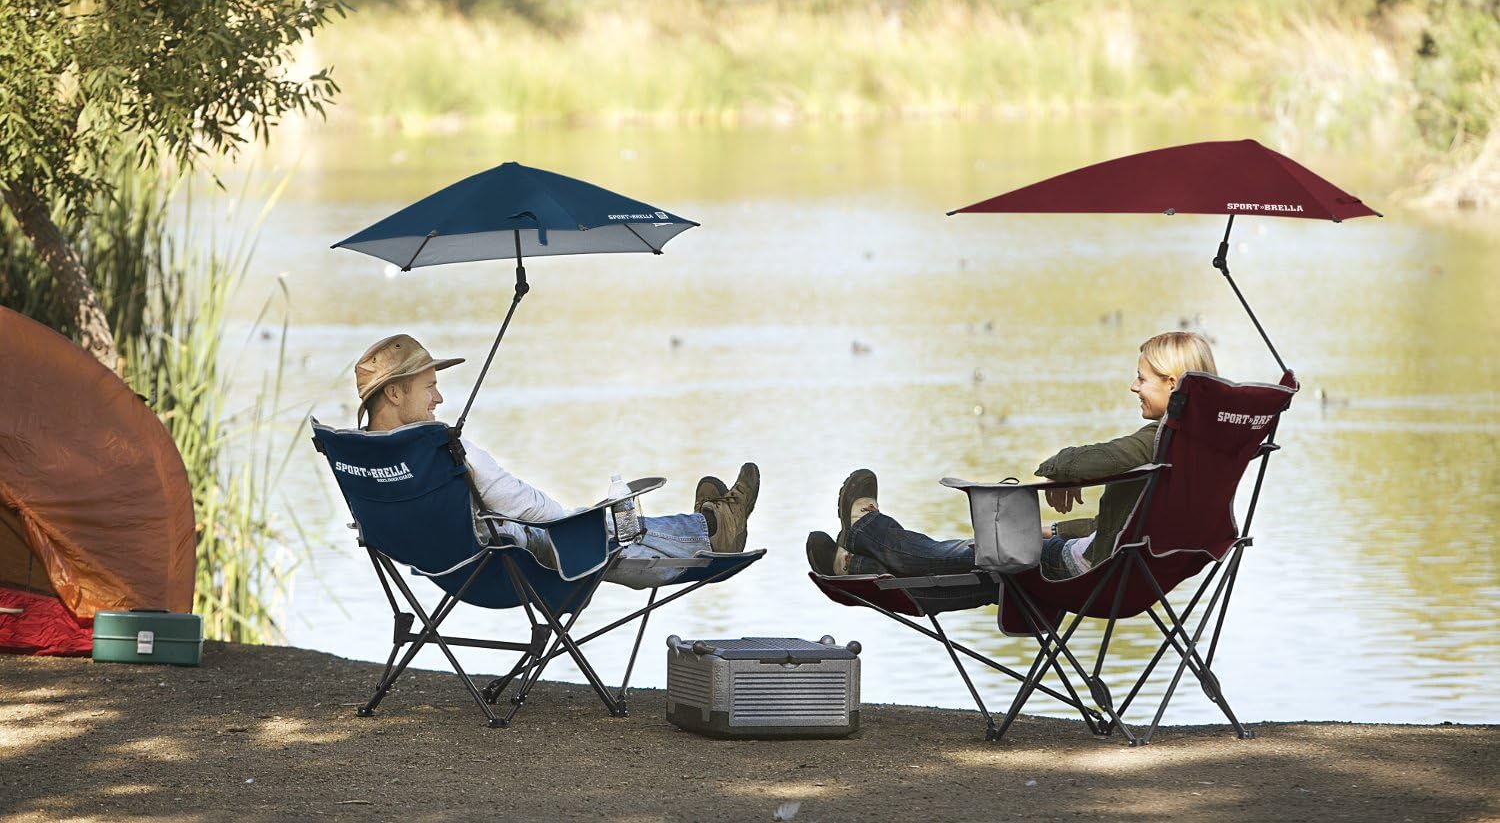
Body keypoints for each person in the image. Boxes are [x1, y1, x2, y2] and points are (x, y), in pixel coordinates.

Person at [806, 331, 1217, 584]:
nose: (1133, 386)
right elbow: (1131, 525)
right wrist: (1057, 531)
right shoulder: (1209, 447)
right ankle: (858, 568)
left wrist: (1060, 472)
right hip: (1141, 569)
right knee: (988, 572)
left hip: (1094, 571)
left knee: (987, 556)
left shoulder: (1161, 441)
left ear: (1173, 383)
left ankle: (869, 531)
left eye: (1142, 379)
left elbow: (1093, 460)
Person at [355, 334, 758, 589]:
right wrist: (573, 520)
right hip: (502, 564)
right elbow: (523, 505)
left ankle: (706, 525)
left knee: (609, 533)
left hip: (444, 569)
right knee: (607, 531)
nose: (439, 400)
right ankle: (711, 527)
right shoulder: (438, 445)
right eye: (430, 388)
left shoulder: (361, 457)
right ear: (393, 393)